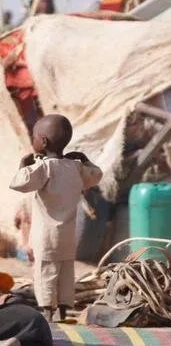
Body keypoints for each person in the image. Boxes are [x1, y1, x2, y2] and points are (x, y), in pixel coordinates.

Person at [8, 115, 102, 321]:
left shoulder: (44, 168)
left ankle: (48, 314)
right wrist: (85, 159)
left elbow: (18, 183)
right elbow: (96, 175)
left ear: (43, 142)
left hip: (46, 237)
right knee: (65, 273)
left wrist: (24, 163)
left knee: (46, 274)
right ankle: (62, 311)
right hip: (68, 236)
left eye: (34, 137)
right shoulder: (75, 167)